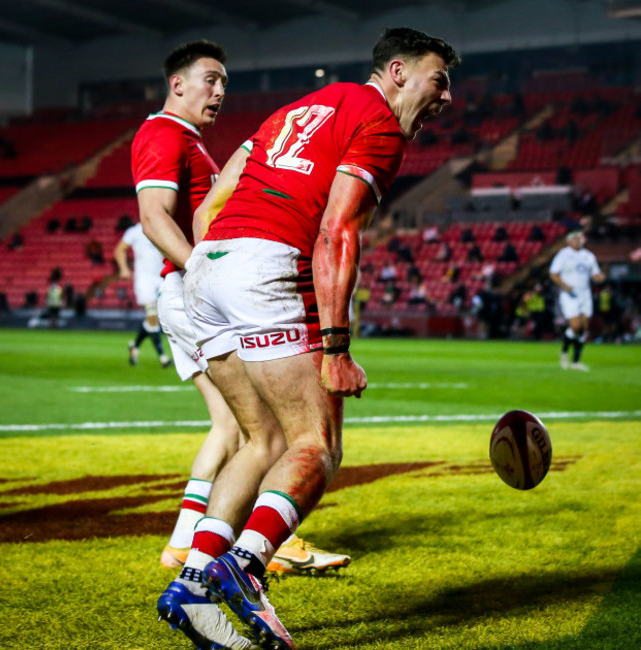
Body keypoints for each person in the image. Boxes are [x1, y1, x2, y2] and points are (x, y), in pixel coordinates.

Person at [161, 27, 459, 650]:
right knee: (316, 444)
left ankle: (192, 585)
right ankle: (243, 568)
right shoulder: (377, 122)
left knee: (259, 438)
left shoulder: (297, 108)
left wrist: (215, 266)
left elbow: (211, 202)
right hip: (266, 265)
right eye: (440, 80)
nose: (447, 97)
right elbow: (336, 233)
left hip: (206, 268)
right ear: (399, 72)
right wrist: (337, 347)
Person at [133, 39, 346, 622]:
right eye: (209, 80)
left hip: (197, 284)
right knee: (276, 431)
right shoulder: (162, 135)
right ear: (177, 84)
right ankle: (254, 546)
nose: (220, 91)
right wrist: (199, 268)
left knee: (248, 430)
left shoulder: (190, 142)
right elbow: (153, 217)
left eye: (225, 81)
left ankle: (194, 548)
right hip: (198, 284)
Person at [113, 221, 172, 368]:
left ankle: (134, 345)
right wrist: (124, 269)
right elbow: (120, 249)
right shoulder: (135, 231)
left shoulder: (161, 226)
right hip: (144, 280)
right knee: (152, 316)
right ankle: (162, 356)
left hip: (161, 278)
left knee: (155, 319)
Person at [549, 230, 605, 370]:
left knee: (583, 328)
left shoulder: (588, 256)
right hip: (570, 295)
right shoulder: (563, 254)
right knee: (576, 326)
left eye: (579, 238)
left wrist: (599, 277)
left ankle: (575, 361)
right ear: (569, 241)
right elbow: (553, 273)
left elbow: (595, 273)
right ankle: (564, 351)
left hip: (585, 295)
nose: (578, 241)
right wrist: (564, 285)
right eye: (575, 238)